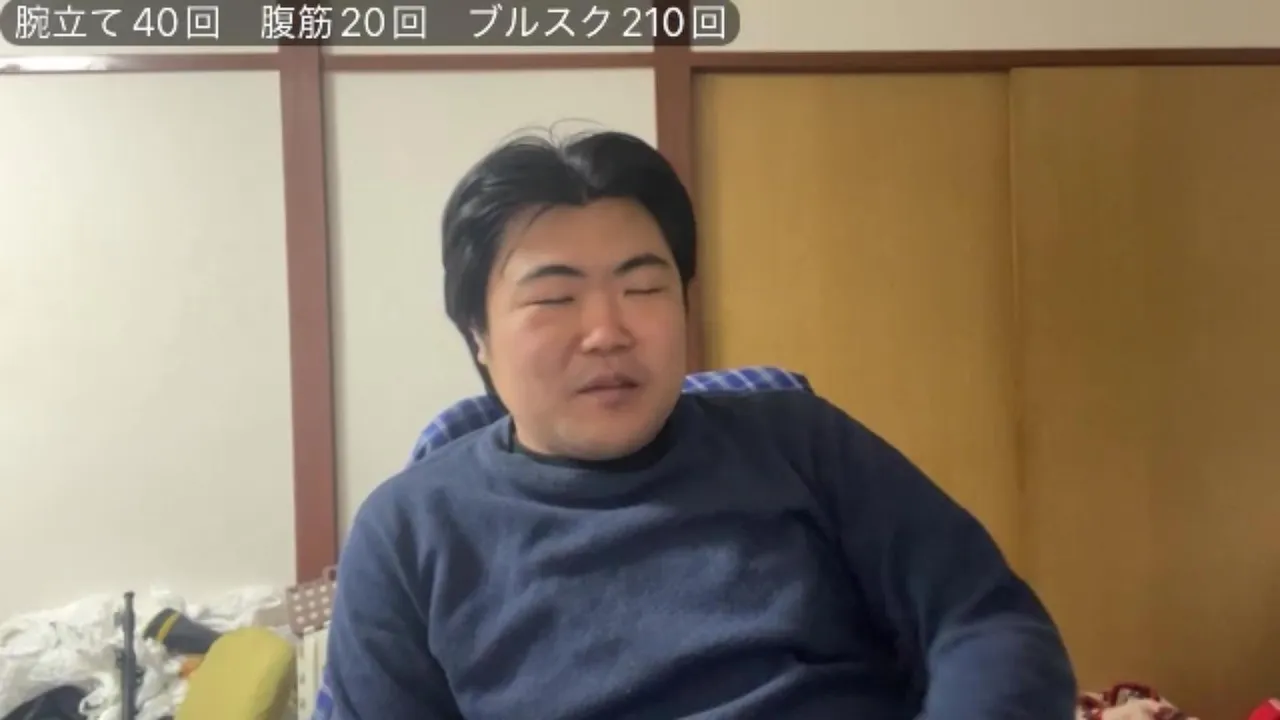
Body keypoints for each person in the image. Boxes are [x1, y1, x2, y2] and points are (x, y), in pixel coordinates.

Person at [320, 129, 1077, 719]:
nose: (607, 331)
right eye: (554, 299)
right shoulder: (408, 533)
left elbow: (984, 621)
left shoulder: (799, 439)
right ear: (478, 335)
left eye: (644, 287)